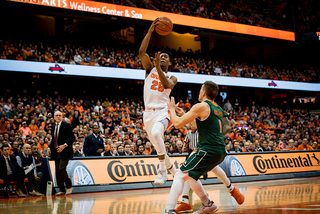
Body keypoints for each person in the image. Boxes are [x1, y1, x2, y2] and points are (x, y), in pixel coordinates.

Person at [162, 81, 237, 214]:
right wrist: (185, 114)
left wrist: (172, 109)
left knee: (180, 174)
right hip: (220, 151)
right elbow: (201, 126)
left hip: (208, 149)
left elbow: (178, 124)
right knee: (190, 176)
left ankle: (169, 210)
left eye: (200, 89)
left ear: (203, 92)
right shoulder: (218, 108)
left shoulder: (201, 106)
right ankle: (208, 204)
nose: (199, 91)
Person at [139, 18, 178, 185]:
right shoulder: (149, 69)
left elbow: (166, 84)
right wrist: (149, 31)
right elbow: (141, 52)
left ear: (169, 62)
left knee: (156, 134)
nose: (162, 59)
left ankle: (162, 171)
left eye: (165, 58)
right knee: (158, 147)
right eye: (160, 57)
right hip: (148, 114)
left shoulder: (172, 77)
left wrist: (158, 67)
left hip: (163, 111)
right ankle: (175, 174)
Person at [175, 127, 244, 213]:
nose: (191, 124)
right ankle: (231, 189)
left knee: (189, 172)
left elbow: (227, 127)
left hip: (206, 149)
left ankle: (193, 202)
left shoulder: (203, 122)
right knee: (189, 173)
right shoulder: (190, 132)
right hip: (197, 151)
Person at [49, 111, 75, 195]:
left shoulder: (67, 125)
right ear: (54, 117)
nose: (58, 117)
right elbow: (54, 139)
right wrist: (49, 147)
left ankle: (69, 186)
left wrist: (64, 145)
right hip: (56, 152)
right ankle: (61, 189)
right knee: (57, 170)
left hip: (65, 151)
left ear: (62, 117)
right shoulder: (53, 126)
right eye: (56, 115)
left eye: (60, 115)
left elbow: (72, 138)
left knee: (61, 169)